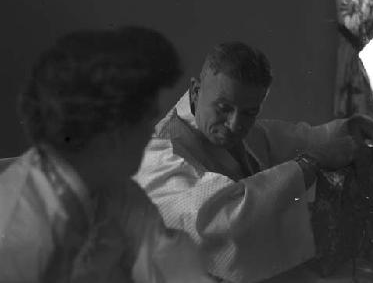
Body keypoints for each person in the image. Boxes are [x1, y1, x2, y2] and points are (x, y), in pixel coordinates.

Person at [135, 41, 373, 283]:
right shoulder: (159, 152)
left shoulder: (246, 134)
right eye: (223, 108)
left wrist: (352, 127)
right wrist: (312, 162)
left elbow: (300, 138)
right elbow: (218, 220)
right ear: (195, 91)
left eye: (250, 112)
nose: (235, 125)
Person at [0, 27, 215, 283]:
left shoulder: (116, 194)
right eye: (146, 119)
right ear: (109, 128)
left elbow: (178, 271)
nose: (151, 133)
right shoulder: (20, 228)